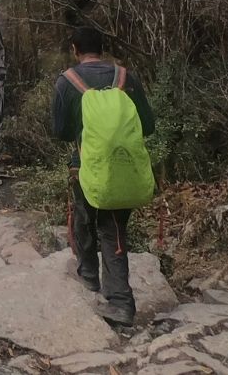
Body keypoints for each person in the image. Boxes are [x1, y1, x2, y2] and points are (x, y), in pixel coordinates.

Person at [52, 26, 155, 326]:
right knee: (113, 229)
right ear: (102, 48)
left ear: (75, 49)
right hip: (122, 167)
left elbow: (60, 131)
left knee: (84, 217)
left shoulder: (67, 82)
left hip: (83, 165)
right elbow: (148, 125)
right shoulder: (126, 78)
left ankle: (88, 276)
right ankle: (120, 302)